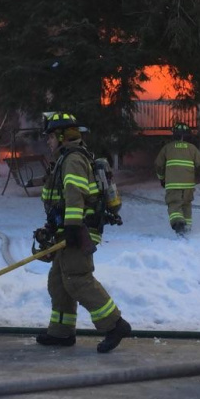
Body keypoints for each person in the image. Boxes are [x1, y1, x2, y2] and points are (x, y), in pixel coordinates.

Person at [35, 111, 131, 353]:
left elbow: (75, 196)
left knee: (77, 279)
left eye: (50, 137)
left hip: (79, 230)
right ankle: (61, 332)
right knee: (59, 281)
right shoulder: (65, 159)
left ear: (61, 136)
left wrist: (72, 228)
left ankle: (115, 325)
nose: (48, 141)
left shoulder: (73, 159)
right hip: (68, 229)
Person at [154, 121, 200, 234]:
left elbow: (158, 165)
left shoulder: (167, 148)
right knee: (186, 205)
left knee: (174, 205)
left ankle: (178, 224)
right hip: (188, 187)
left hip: (173, 185)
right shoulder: (192, 149)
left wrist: (162, 178)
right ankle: (187, 229)